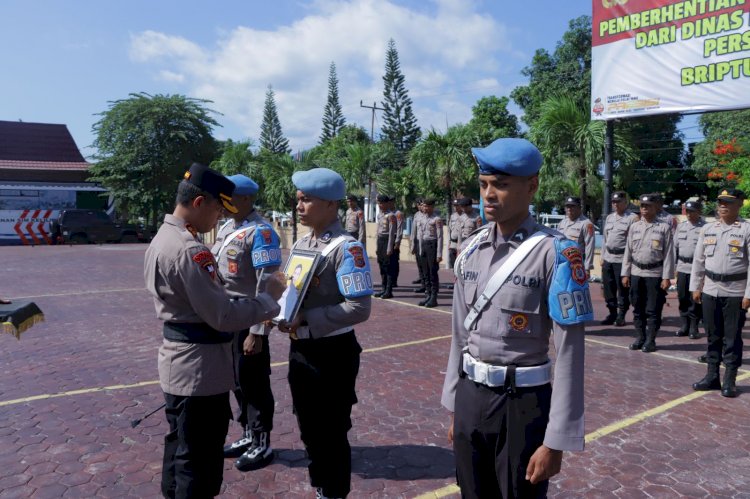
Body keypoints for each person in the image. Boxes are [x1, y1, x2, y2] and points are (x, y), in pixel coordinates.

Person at [442, 138, 589, 498]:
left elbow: (570, 353)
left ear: (532, 185)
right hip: (470, 396)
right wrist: (453, 404)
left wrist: (556, 440)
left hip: (522, 404)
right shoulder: (471, 249)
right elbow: (459, 337)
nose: (489, 194)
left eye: (502, 185)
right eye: (484, 184)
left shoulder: (556, 254)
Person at [144, 163, 286, 499]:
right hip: (200, 367)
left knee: (181, 448)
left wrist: (257, 329)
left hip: (183, 360)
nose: (220, 216)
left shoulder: (165, 237)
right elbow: (221, 313)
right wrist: (270, 300)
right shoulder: (190, 248)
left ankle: (258, 438)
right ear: (198, 203)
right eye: (217, 208)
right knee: (199, 464)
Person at [277, 167, 373, 499]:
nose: (299, 206)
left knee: (331, 432)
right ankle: (321, 486)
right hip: (301, 350)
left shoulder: (348, 249)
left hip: (332, 353)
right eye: (298, 199)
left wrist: (306, 318)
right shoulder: (303, 242)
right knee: (308, 427)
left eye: (307, 200)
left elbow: (359, 308)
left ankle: (333, 491)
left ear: (331, 205)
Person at [212, 174, 282, 472]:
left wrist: (258, 332)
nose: (223, 204)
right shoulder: (229, 227)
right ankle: (247, 434)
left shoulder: (262, 233)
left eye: (229, 199)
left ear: (245, 199)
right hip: (226, 317)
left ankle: (262, 442)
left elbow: (267, 285)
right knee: (237, 381)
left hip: (248, 319)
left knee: (254, 383)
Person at [690, 188, 750, 398]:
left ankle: (729, 380)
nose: (723, 206)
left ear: (739, 204)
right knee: (712, 335)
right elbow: (698, 260)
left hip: (735, 291)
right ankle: (712, 376)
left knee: (732, 338)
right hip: (710, 289)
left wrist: (748, 294)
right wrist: (696, 286)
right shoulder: (708, 229)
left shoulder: (746, 229)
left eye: (728, 202)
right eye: (720, 202)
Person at [621, 193, 675, 353]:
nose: (644, 209)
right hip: (637, 272)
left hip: (655, 274)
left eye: (648, 206)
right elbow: (628, 252)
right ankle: (640, 338)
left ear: (655, 207)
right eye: (642, 206)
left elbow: (669, 254)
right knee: (637, 308)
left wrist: (667, 277)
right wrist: (625, 273)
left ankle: (651, 340)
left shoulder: (664, 227)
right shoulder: (634, 227)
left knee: (653, 309)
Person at [600, 191, 638, 326]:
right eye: (613, 202)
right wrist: (603, 256)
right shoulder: (610, 218)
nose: (615, 204)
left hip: (622, 258)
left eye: (618, 202)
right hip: (608, 257)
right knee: (608, 288)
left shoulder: (632, 218)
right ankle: (612, 313)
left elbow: (633, 241)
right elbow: (605, 238)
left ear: (625, 203)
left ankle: (621, 315)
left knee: (622, 289)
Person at [674, 200, 705, 339]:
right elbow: (675, 248)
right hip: (682, 267)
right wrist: (674, 268)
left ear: (699, 212)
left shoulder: (705, 227)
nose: (689, 214)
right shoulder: (681, 227)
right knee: (682, 297)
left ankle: (694, 327)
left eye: (692, 211)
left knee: (695, 299)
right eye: (688, 211)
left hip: (696, 268)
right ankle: (684, 325)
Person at [557, 196, 596, 274]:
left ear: (579, 207)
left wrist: (587, 268)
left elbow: (589, 246)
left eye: (572, 206)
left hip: (577, 264)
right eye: (567, 206)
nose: (569, 208)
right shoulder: (562, 223)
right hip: (561, 263)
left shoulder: (586, 224)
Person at [417, 198, 443, 308]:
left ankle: (434, 297)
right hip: (423, 245)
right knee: (425, 272)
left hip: (432, 246)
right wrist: (419, 249)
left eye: (427, 206)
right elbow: (420, 234)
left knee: (432, 272)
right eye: (423, 206)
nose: (425, 208)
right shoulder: (422, 218)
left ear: (432, 207)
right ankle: (428, 294)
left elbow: (440, 237)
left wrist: (439, 254)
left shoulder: (437, 219)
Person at [374, 194, 397, 299]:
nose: (380, 205)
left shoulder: (391, 215)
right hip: (380, 241)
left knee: (388, 266)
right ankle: (383, 288)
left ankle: (388, 290)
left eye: (382, 203)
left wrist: (389, 247)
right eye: (379, 203)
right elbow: (378, 231)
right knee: (382, 265)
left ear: (387, 203)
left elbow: (392, 233)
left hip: (387, 240)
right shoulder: (380, 215)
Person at [411, 199, 427, 292]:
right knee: (419, 264)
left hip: (425, 242)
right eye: (419, 205)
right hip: (417, 241)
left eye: (421, 204)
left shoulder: (427, 215)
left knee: (425, 265)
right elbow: (413, 231)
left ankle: (427, 285)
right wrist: (412, 245)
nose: (420, 206)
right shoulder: (416, 215)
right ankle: (423, 284)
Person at [390, 197, 405, 287]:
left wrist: (397, 241)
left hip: (395, 237)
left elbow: (399, 228)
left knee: (394, 261)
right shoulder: (386, 213)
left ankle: (394, 280)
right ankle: (389, 280)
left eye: (391, 202)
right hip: (387, 238)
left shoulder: (398, 214)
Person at [448, 199, 463, 269]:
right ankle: (455, 276)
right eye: (454, 206)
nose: (456, 207)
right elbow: (450, 230)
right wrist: (449, 242)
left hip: (462, 242)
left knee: (461, 262)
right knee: (453, 260)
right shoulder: (452, 216)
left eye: (457, 205)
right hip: (453, 242)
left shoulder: (464, 215)